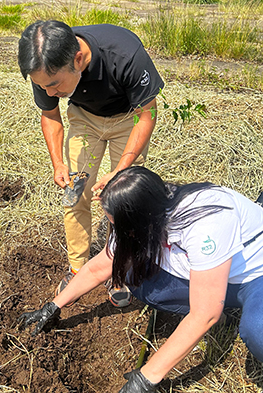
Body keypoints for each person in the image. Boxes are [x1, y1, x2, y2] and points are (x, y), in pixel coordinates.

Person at [16, 167, 263, 393]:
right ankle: (233, 305)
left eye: (117, 224)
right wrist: (52, 307)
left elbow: (204, 314)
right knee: (131, 272)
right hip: (216, 275)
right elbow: (102, 265)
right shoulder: (142, 209)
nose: (114, 229)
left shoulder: (207, 220)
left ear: (142, 219)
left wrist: (146, 377)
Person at [18, 21, 164, 306]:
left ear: (78, 59)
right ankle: (77, 268)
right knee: (75, 194)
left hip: (128, 118)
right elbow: (50, 115)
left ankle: (119, 268)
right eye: (41, 86)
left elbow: (146, 113)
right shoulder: (43, 63)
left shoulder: (124, 54)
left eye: (53, 85)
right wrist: (58, 163)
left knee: (123, 200)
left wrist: (121, 169)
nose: (48, 93)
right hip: (85, 119)